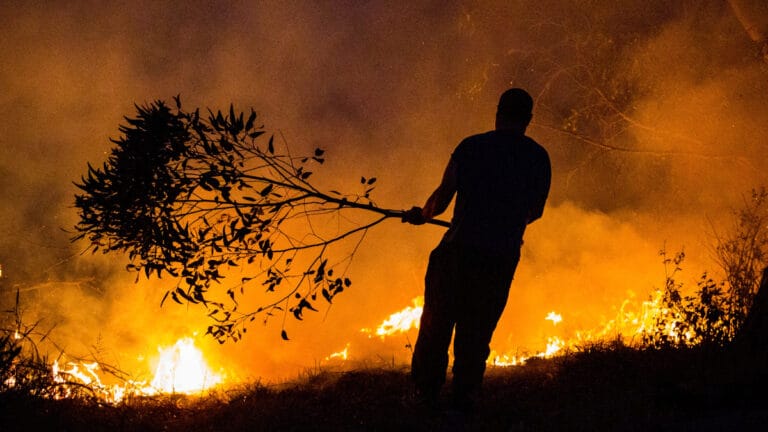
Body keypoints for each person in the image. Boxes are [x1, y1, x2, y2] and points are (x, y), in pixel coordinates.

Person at [402, 88, 551, 413]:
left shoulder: (472, 147)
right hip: (499, 258)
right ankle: (464, 398)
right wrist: (505, 224)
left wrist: (421, 215)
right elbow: (534, 211)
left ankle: (424, 396)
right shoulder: (538, 158)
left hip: (458, 253)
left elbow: (442, 197)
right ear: (528, 120)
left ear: (498, 113)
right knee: (476, 332)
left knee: (436, 328)